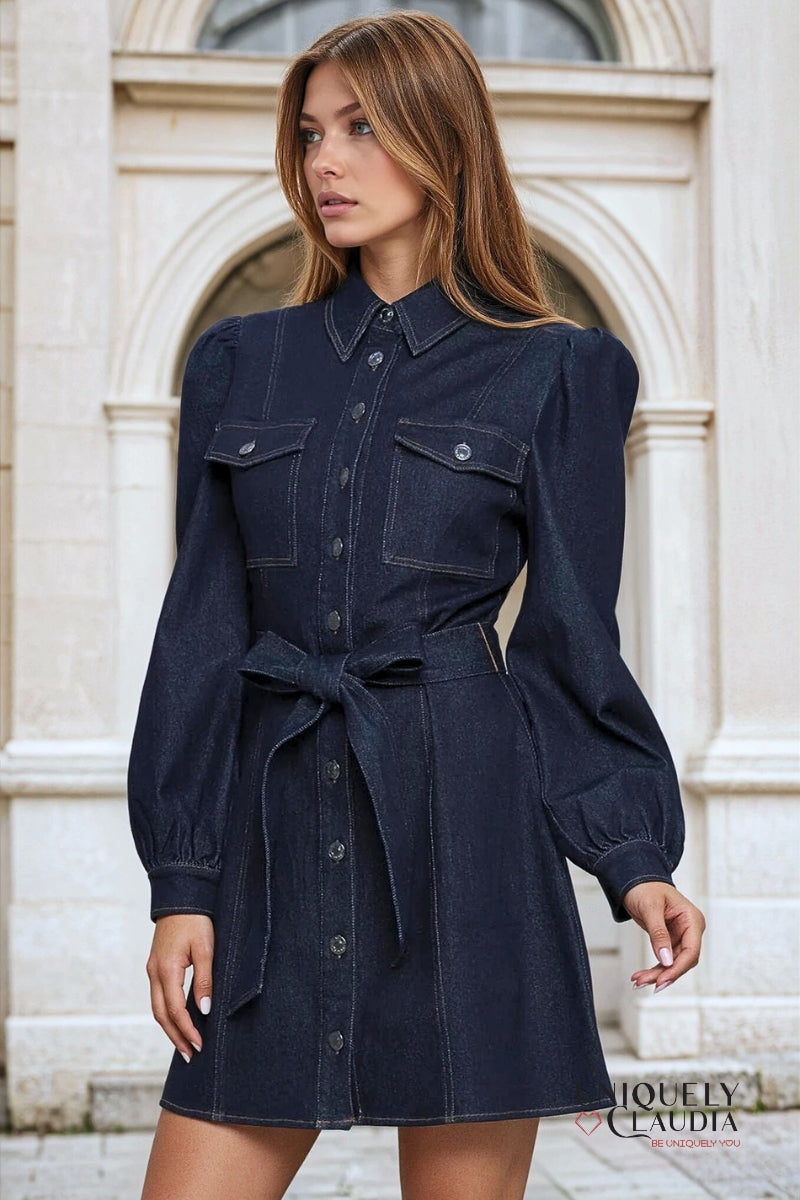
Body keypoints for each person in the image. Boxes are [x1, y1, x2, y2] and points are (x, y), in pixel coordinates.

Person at [127, 11, 706, 1200]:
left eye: (358, 128)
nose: (321, 162)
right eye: (307, 135)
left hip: (467, 844)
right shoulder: (240, 361)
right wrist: (181, 883)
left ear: (443, 140)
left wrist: (628, 854)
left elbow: (565, 643)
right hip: (274, 849)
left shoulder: (559, 370)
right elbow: (199, 630)